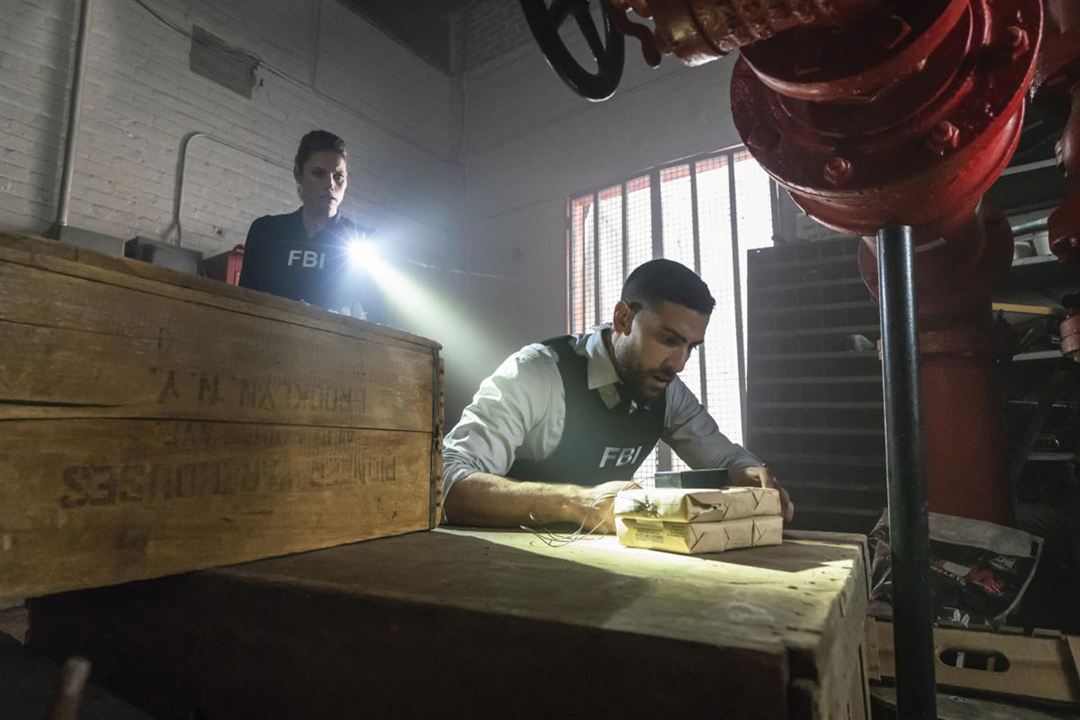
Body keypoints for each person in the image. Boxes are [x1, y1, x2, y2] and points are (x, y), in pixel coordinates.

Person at [442, 258, 793, 532]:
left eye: (691, 348)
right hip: (499, 573)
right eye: (669, 340)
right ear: (623, 318)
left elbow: (724, 459)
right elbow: (446, 481)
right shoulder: (538, 372)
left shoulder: (667, 391)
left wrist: (750, 473)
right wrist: (575, 502)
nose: (679, 364)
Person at [238, 130, 386, 322]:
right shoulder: (266, 231)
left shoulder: (365, 241)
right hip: (268, 345)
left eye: (339, 176)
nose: (330, 184)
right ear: (298, 174)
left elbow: (380, 321)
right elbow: (242, 303)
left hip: (333, 350)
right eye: (318, 173)